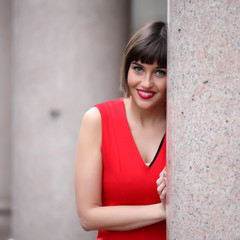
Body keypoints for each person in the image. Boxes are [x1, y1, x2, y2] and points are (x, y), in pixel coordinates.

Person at [75, 21, 167, 240]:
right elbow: (88, 217)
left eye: (160, 72)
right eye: (138, 68)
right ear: (127, 68)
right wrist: (163, 210)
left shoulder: (185, 128)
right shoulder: (97, 119)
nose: (146, 83)